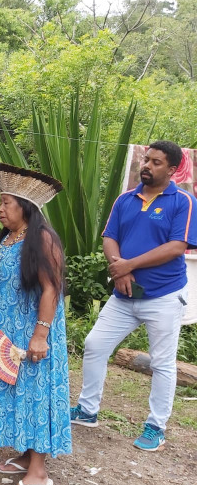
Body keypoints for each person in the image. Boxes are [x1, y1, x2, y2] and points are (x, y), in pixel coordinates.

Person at [71, 141, 197, 451]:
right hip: (124, 295)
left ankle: (156, 426)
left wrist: (131, 264)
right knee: (95, 344)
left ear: (171, 169)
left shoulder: (183, 201)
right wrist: (121, 270)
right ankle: (87, 410)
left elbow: (177, 247)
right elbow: (110, 237)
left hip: (164, 296)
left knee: (163, 363)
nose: (147, 165)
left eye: (156, 162)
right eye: (146, 159)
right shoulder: (125, 199)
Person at [0, 163, 70, 485]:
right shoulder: (8, 237)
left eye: (6, 203)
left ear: (25, 206)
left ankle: (39, 470)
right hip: (7, 335)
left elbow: (51, 289)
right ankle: (26, 454)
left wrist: (40, 335)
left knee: (34, 394)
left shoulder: (43, 239)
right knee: (18, 395)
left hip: (32, 334)